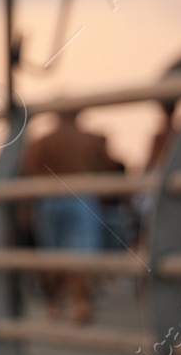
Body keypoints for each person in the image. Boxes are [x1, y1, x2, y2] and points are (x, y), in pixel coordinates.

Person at [19, 109, 121, 322]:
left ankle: (53, 304)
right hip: (81, 197)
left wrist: (29, 205)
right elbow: (108, 165)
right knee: (79, 254)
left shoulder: (43, 140)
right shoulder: (88, 139)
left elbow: (31, 168)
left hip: (50, 198)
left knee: (51, 254)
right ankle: (80, 304)